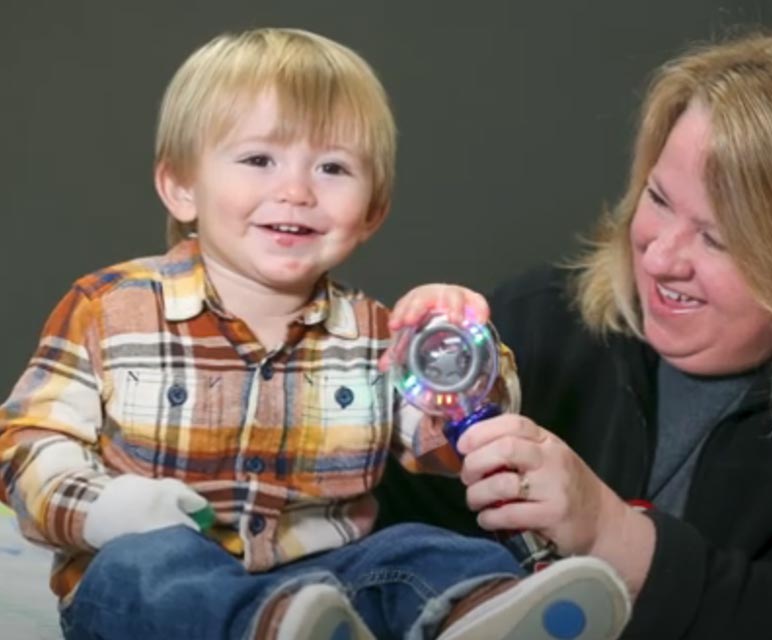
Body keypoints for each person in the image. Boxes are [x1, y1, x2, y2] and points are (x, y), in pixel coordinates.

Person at [0, 28, 631, 640]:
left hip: (326, 585)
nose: (296, 191)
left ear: (372, 211)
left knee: (420, 550)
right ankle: (266, 627)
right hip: (155, 587)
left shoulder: (379, 337)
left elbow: (455, 447)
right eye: (258, 159)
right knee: (145, 569)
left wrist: (455, 345)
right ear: (181, 187)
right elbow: (27, 444)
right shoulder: (111, 308)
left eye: (332, 168)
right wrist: (107, 510)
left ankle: (484, 614)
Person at [377, 29, 772, 638]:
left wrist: (612, 535)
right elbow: (372, 528)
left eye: (718, 238)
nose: (660, 258)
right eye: (658, 198)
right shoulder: (545, 324)